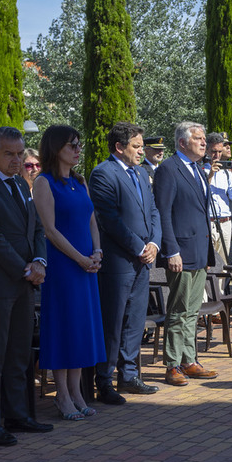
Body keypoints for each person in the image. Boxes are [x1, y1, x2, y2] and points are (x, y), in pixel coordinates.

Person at [0, 126, 53, 445]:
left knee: (19, 352)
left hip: (24, 283)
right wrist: (23, 268)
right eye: (9, 154)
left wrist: (40, 263)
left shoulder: (20, 183)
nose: (17, 160)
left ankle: (16, 414)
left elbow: (37, 231)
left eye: (20, 153)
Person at [32, 125, 106, 420]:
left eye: (79, 144)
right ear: (55, 148)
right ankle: (62, 395)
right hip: (64, 267)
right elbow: (49, 230)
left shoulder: (80, 180)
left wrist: (97, 252)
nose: (78, 149)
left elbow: (91, 221)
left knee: (81, 328)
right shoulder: (43, 182)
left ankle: (77, 392)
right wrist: (79, 258)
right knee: (64, 328)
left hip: (87, 266)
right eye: (71, 145)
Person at [89, 122, 162, 404]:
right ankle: (104, 380)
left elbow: (153, 211)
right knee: (113, 320)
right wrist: (139, 246)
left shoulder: (142, 173)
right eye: (137, 146)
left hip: (143, 259)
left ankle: (129, 375)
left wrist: (154, 243)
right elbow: (109, 219)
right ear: (119, 147)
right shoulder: (103, 173)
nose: (142, 151)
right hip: (119, 260)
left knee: (134, 320)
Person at [154, 121, 218, 384]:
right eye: (198, 139)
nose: (204, 143)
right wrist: (171, 251)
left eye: (204, 138)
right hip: (181, 250)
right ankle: (172, 365)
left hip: (200, 250)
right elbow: (163, 212)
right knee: (178, 310)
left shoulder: (198, 170)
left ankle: (189, 360)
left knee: (193, 311)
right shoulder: (169, 169)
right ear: (182, 143)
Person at [205, 132, 232, 265]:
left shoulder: (226, 171)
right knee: (208, 263)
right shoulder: (200, 169)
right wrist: (210, 175)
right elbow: (199, 194)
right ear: (207, 150)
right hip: (209, 221)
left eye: (220, 152)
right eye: (214, 152)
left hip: (225, 220)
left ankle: (220, 287)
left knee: (224, 264)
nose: (217, 155)